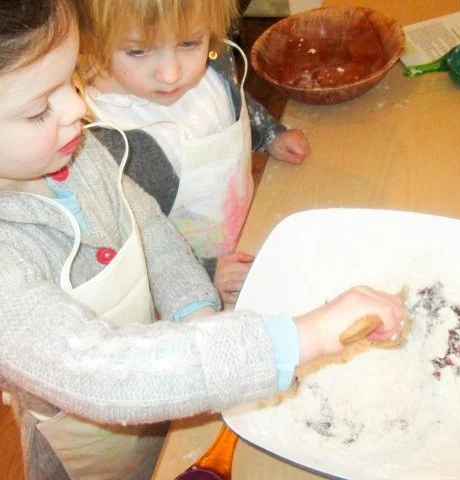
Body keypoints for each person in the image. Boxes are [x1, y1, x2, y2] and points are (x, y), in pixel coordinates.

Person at [0, 1, 408, 479]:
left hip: (172, 389)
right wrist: (310, 335)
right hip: (89, 453)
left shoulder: (75, 154)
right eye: (36, 110)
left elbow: (149, 226)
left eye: (69, 81)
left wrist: (198, 311)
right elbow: (101, 373)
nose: (77, 107)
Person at [79, 0, 311, 304]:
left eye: (189, 42)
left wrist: (268, 133)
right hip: (190, 282)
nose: (172, 74)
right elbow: (140, 246)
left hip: (247, 227)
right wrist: (206, 271)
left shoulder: (214, 63)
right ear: (92, 40)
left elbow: (231, 104)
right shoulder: (110, 141)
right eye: (138, 51)